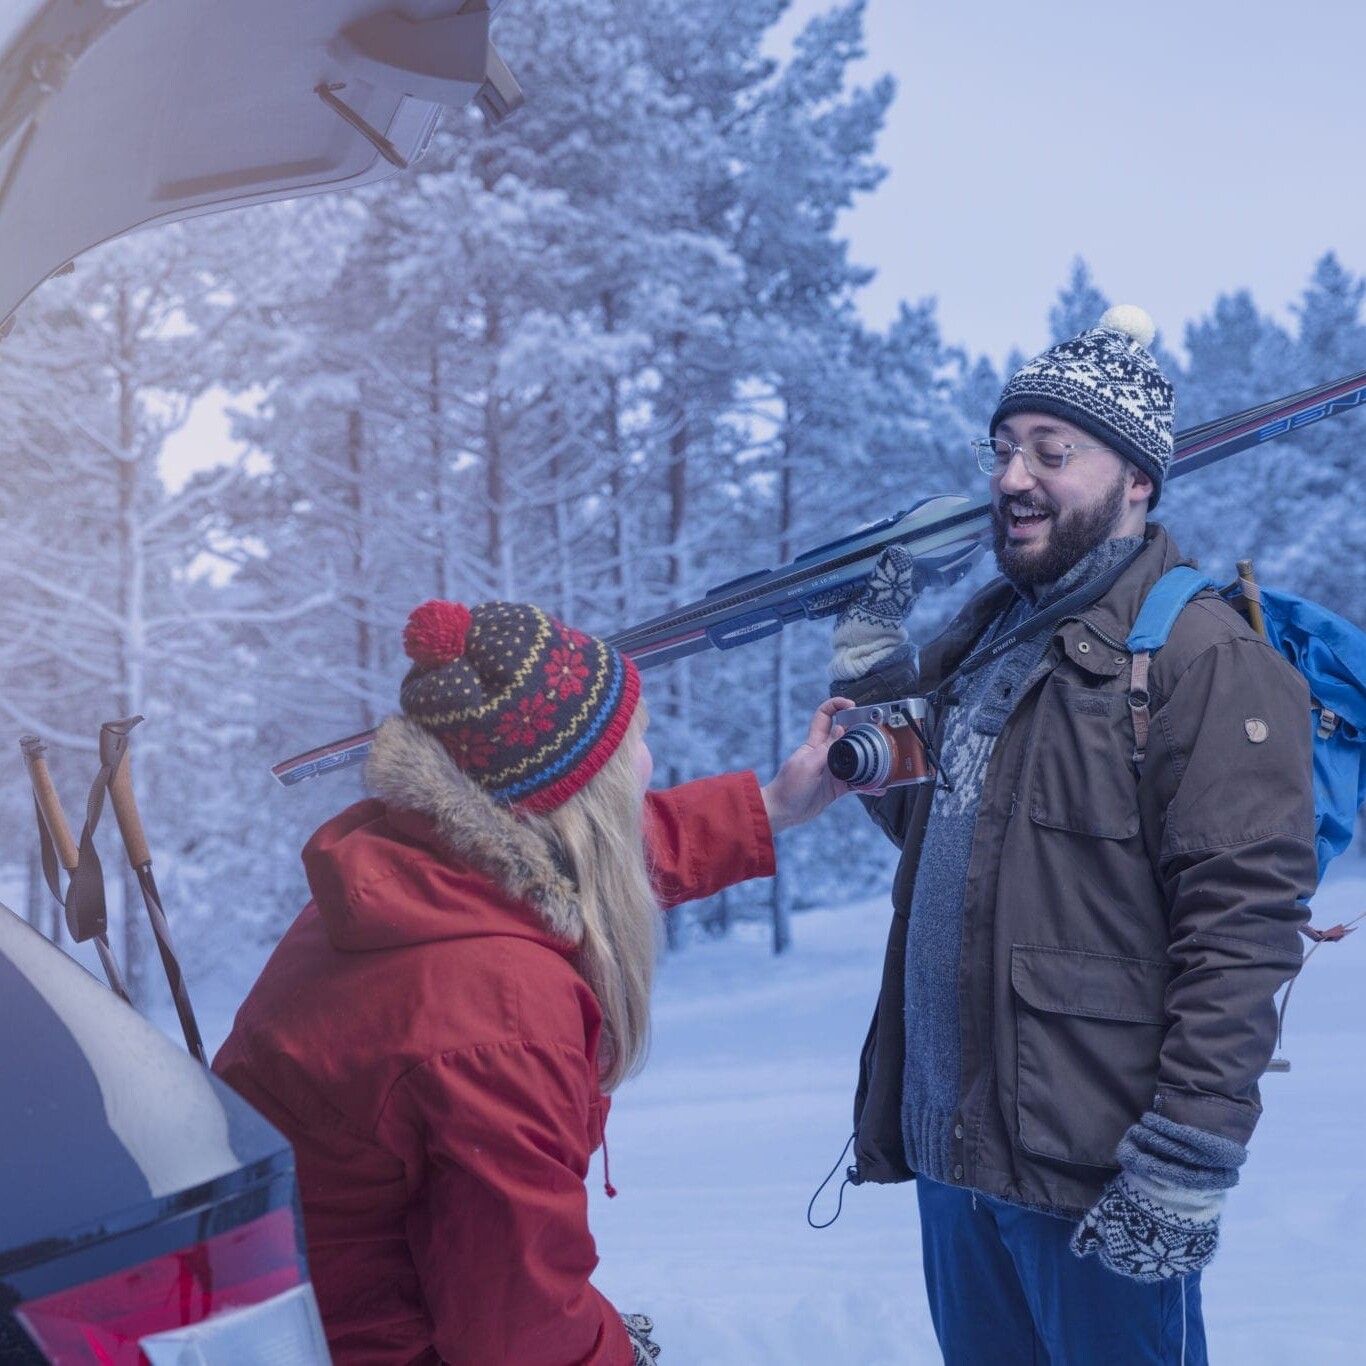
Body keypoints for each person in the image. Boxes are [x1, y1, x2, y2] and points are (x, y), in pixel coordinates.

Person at [827, 307, 1317, 1364]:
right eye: (1003, 449)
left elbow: (1242, 931)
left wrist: (1183, 1161)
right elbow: (932, 819)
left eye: (1052, 452)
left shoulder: (1199, 657)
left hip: (1090, 1167)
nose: (1012, 477)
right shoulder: (988, 637)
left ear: (1135, 479)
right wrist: (874, 668)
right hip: (961, 1157)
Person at [214, 598, 849, 1366]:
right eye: (631, 749)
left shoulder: (405, 874)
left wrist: (768, 809)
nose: (648, 763)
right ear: (573, 796)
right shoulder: (500, 1020)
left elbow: (593, 858)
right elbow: (521, 1339)